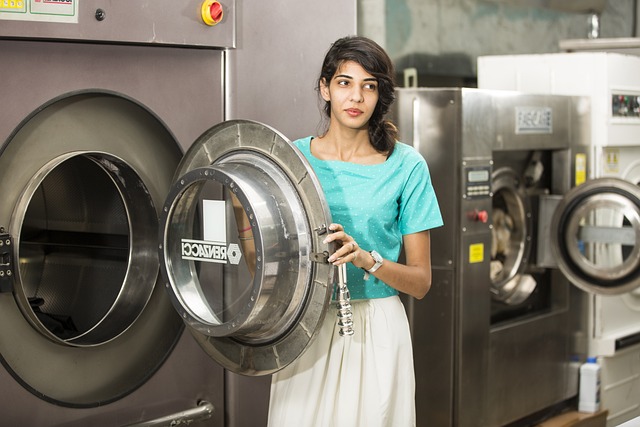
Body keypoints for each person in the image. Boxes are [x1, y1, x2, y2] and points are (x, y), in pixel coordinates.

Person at [267, 35, 443, 427]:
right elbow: (263, 259)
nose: (356, 97)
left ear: (380, 96)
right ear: (325, 88)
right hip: (303, 325)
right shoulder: (289, 159)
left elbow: (421, 282)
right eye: (345, 82)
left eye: (369, 86)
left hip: (376, 330)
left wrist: (367, 259)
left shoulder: (406, 166)